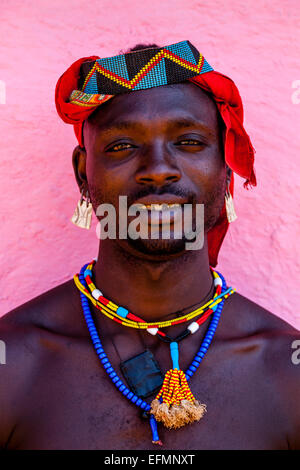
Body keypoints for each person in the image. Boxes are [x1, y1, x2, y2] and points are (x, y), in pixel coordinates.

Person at [0, 41, 299, 450]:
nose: (158, 170)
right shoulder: (12, 363)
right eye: (122, 146)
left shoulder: (287, 371)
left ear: (226, 168)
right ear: (82, 173)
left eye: (189, 142)